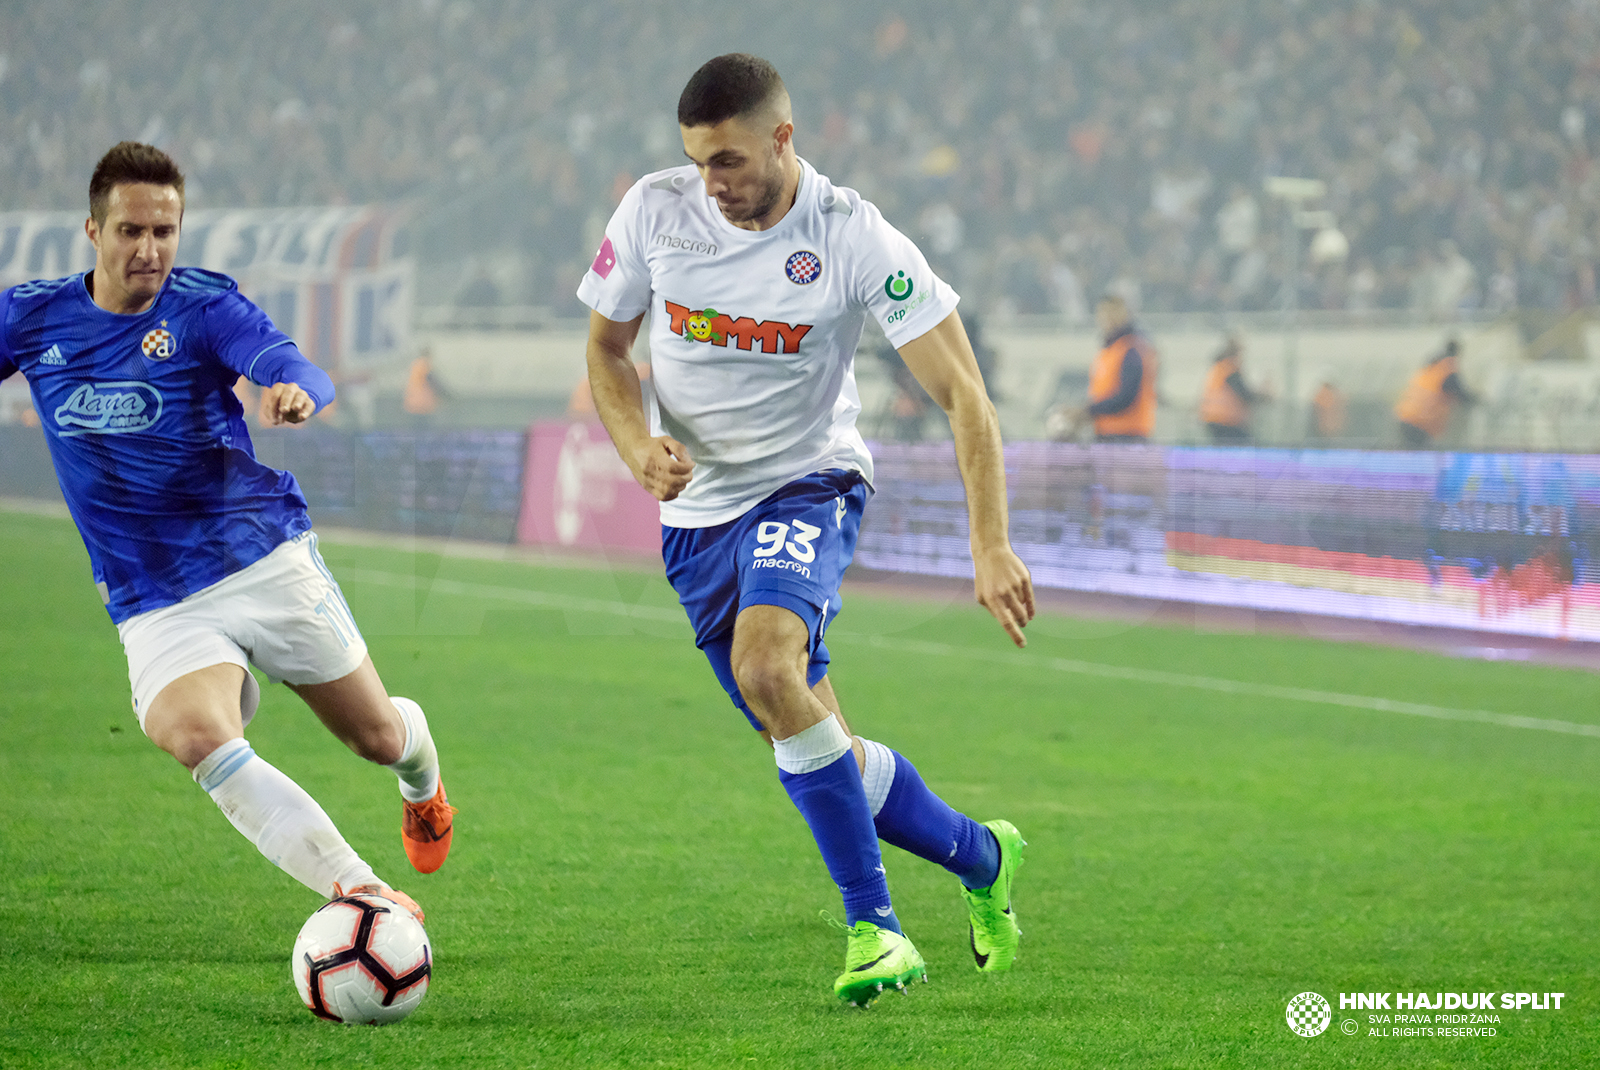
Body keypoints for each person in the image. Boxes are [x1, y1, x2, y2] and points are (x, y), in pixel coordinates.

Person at [579, 55, 1035, 1007]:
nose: (715, 184)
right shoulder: (654, 212)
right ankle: (983, 857)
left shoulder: (852, 236)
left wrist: (989, 543)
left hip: (806, 484)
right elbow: (606, 350)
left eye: (732, 162)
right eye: (701, 163)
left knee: (766, 669)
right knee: (812, 735)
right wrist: (636, 448)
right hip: (697, 517)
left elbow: (966, 398)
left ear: (784, 139)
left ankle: (876, 930)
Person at [0, 142, 456, 922]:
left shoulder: (204, 308)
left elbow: (295, 365)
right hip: (154, 597)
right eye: (131, 231)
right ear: (93, 230)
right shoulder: (32, 318)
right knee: (190, 731)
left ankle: (424, 788)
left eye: (165, 232)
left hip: (258, 558)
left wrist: (292, 392)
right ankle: (360, 890)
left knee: (377, 737)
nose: (149, 249)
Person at [1052, 294, 1159, 442]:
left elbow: (1125, 397)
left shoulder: (1132, 349)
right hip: (1106, 433)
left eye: (1112, 312)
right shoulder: (1108, 351)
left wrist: (1087, 411)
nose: (1107, 318)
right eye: (1103, 312)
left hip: (1128, 435)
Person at [1395, 339, 1477, 447]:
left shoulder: (1432, 365)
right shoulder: (1448, 371)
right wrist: (1478, 400)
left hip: (1406, 416)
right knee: (1419, 456)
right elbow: (1462, 395)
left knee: (1409, 454)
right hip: (1421, 421)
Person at [1199, 336, 1269, 443]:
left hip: (1214, 419)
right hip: (1225, 420)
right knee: (1247, 444)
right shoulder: (1230, 370)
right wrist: (1263, 395)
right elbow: (1245, 394)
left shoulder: (1219, 368)